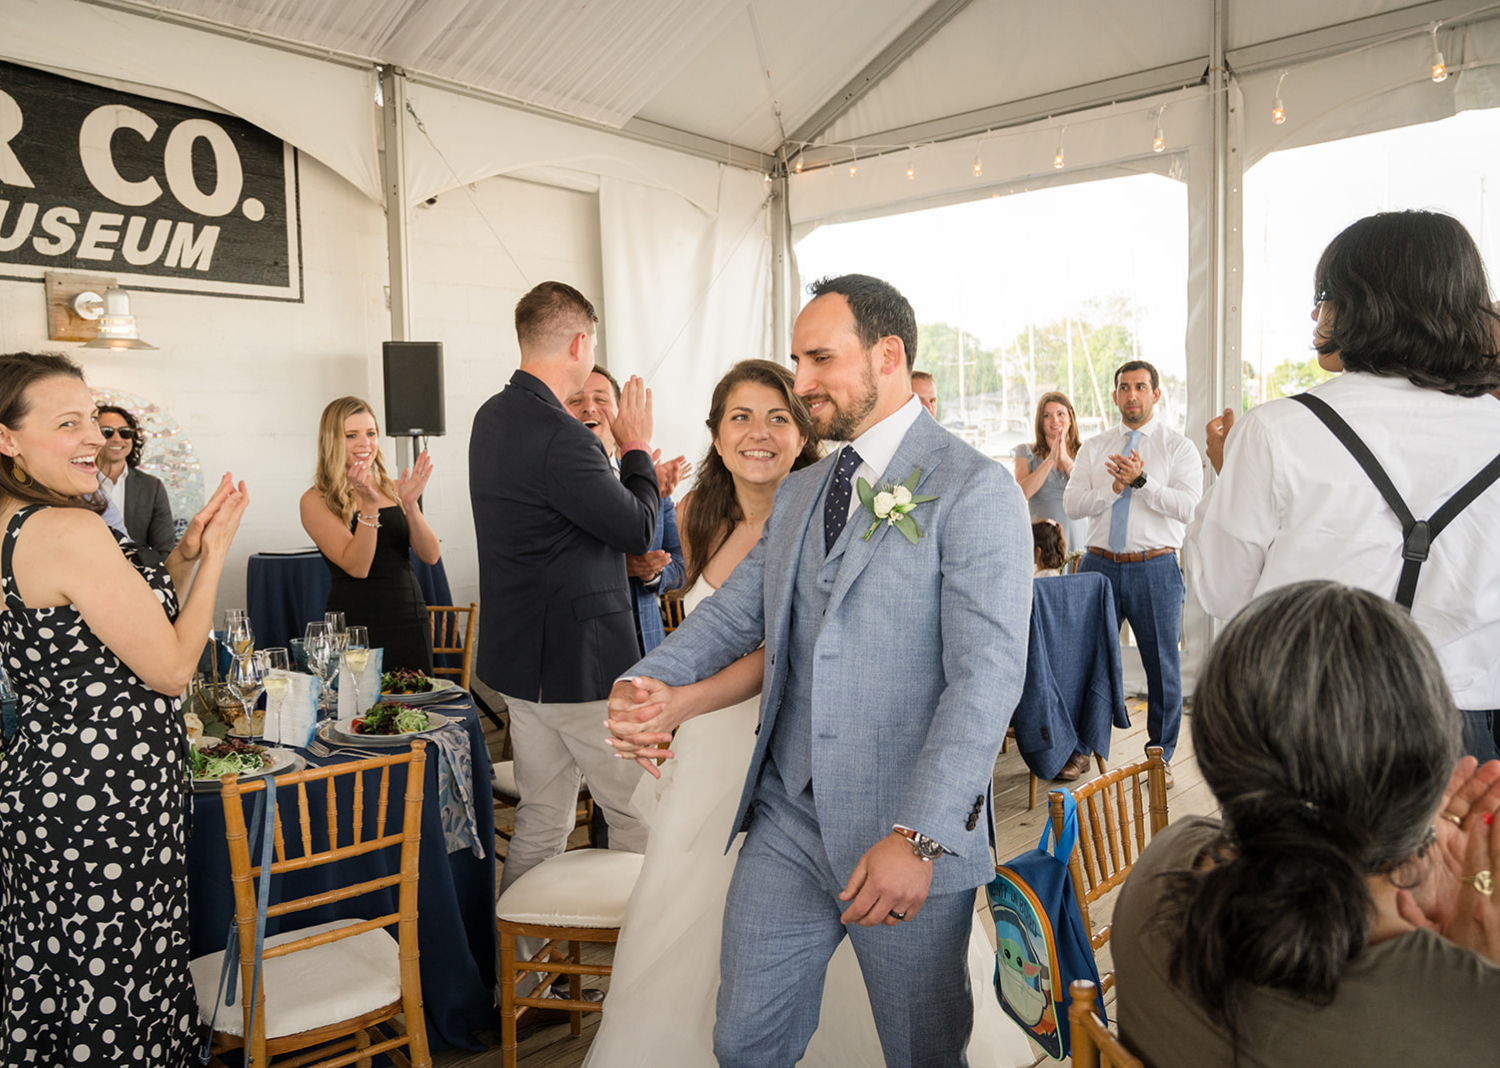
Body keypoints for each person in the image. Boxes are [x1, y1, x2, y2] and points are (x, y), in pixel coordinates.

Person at [608, 275, 1033, 1066]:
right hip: (787, 819)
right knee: (744, 1039)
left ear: (889, 355)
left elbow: (987, 677)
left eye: (818, 359)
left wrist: (919, 835)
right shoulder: (807, 488)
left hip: (903, 829)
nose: (800, 382)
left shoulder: (975, 489)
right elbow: (740, 614)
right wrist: (650, 678)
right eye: (797, 359)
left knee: (922, 1050)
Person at [1113, 581, 1500, 1067]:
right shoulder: (1472, 1025)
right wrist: (1475, 970)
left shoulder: (1162, 866)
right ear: (1429, 779)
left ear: (1215, 745)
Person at [0, 351, 248, 1068]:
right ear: (8, 439)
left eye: (94, 418)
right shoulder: (67, 529)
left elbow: (102, 624)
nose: (93, 438)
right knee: (119, 988)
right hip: (106, 798)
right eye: (67, 422)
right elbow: (171, 668)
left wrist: (183, 557)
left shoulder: (20, 523)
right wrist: (219, 557)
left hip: (49, 786)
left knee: (62, 983)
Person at [1185, 210, 1500, 762]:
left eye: (1326, 292)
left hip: (1320, 721)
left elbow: (1223, 594)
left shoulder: (1277, 430)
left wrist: (1225, 474)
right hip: (1469, 733)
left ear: (1370, 303)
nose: (1315, 311)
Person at [470, 281, 658, 944]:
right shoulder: (564, 437)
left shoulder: (491, 417)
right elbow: (638, 528)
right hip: (581, 670)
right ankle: (639, 963)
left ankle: (524, 974)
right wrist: (636, 450)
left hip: (521, 664)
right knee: (641, 814)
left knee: (544, 819)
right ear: (580, 344)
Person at [1064, 361, 1201, 785]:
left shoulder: (1179, 449)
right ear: (1115, 395)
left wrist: (1142, 482)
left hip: (1155, 567)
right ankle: (1080, 750)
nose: (1132, 395)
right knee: (1085, 663)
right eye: (1124, 388)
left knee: (1162, 668)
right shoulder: (1094, 447)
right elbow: (1072, 505)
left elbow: (1189, 508)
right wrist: (1114, 488)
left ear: (1156, 394)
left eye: (1140, 387)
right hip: (1098, 565)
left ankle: (1158, 758)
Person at [300, 396, 440, 674]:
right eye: (352, 435)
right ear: (332, 441)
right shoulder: (316, 500)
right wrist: (370, 505)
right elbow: (357, 566)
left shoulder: (394, 488)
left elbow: (431, 555)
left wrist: (411, 506)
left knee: (416, 709)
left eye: (371, 433)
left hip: (409, 617)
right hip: (355, 626)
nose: (365, 443)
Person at [564, 365, 687, 654]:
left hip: (649, 650)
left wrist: (651, 575)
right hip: (587, 653)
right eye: (576, 400)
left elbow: (682, 566)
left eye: (601, 399)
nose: (589, 408)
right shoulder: (558, 485)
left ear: (621, 414)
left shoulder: (652, 483)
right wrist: (620, 567)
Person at [95, 403, 177, 567]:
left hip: (138, 579)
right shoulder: (74, 484)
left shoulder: (152, 487)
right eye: (107, 432)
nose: (117, 439)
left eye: (125, 432)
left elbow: (164, 550)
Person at [1013, 391, 1085, 551]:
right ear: (1040, 421)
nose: (1055, 420)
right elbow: (1022, 493)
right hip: (1043, 543)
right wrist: (1051, 459)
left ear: (1070, 417)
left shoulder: (1085, 451)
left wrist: (1066, 460)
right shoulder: (1025, 452)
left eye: (1060, 414)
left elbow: (1087, 490)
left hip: (1078, 538)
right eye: (1047, 416)